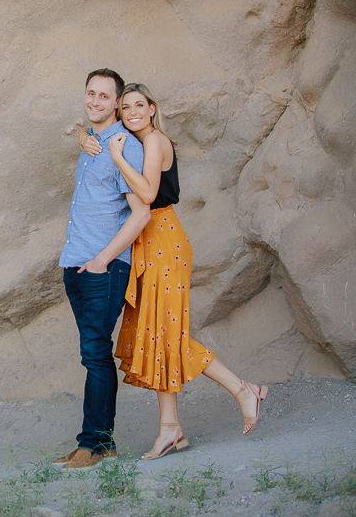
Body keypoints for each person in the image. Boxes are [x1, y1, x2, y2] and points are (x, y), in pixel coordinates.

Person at [77, 82, 268, 460]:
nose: (131, 112)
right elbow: (94, 129)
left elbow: (147, 195)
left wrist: (116, 158)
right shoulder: (135, 140)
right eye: (125, 106)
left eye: (138, 105)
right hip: (144, 244)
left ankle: (243, 389)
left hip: (163, 240)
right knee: (159, 331)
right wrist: (84, 136)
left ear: (151, 108)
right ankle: (171, 429)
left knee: (166, 333)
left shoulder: (154, 141)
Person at [52, 69, 151, 471]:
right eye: (90, 93)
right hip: (75, 262)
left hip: (102, 267)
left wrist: (103, 260)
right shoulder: (90, 143)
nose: (95, 101)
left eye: (104, 96)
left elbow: (140, 211)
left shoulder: (124, 145)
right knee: (94, 354)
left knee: (95, 354)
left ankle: (91, 445)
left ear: (117, 102)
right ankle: (102, 443)